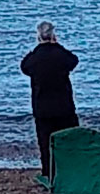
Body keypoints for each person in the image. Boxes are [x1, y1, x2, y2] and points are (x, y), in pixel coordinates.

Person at [21, 21, 80, 177]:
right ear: (53, 36)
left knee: (45, 144)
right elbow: (73, 60)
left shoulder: (35, 58)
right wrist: (57, 45)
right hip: (64, 107)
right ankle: (69, 172)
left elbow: (24, 66)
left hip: (43, 109)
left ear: (38, 36)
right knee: (69, 141)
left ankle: (49, 173)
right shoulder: (60, 55)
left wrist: (37, 48)